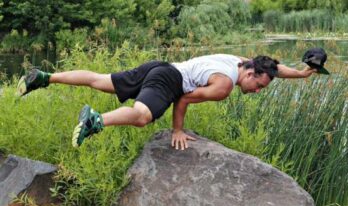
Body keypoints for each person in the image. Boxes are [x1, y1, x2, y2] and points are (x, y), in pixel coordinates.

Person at [17, 54, 317, 150]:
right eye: (258, 85)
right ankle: (96, 120)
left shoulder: (239, 61)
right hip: (169, 80)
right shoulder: (224, 85)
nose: (257, 90)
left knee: (100, 79)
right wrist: (177, 130)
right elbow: (184, 98)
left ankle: (44, 77)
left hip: (159, 66)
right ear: (250, 72)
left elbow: (275, 68)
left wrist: (303, 74)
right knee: (142, 116)